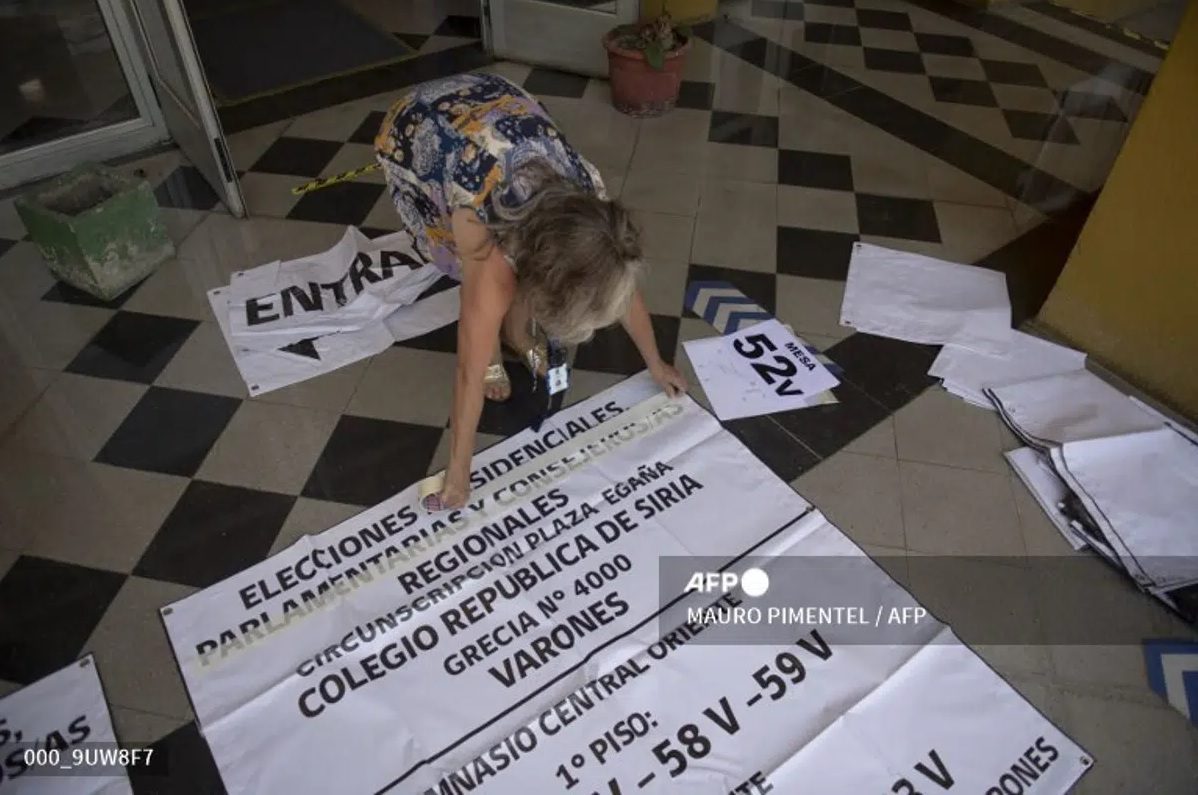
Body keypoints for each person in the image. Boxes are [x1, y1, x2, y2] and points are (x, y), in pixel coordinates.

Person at [375, 72, 687, 510]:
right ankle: (500, 354)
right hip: (423, 128)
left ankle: (518, 335)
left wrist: (656, 363)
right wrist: (459, 476)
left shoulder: (594, 214)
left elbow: (617, 283)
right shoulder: (486, 243)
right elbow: (465, 369)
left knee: (514, 288)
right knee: (482, 301)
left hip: (499, 111)